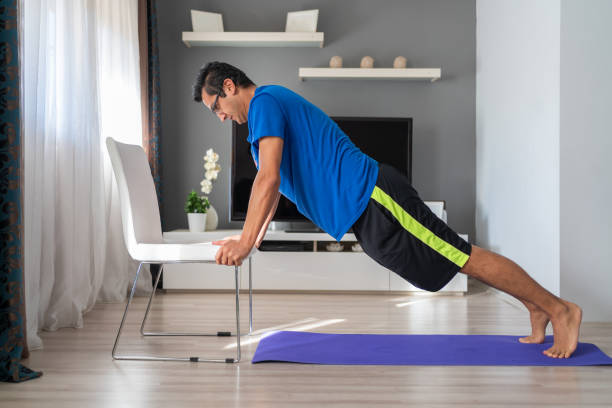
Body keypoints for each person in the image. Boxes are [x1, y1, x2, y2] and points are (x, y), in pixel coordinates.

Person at [192, 61, 582, 359]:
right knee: (451, 260)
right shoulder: (264, 113)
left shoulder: (264, 102)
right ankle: (537, 307)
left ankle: (559, 309)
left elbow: (269, 180)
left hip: (376, 195)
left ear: (229, 86)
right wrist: (252, 239)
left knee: (459, 255)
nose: (220, 115)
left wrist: (245, 243)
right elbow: (274, 188)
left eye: (216, 107)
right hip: (365, 207)